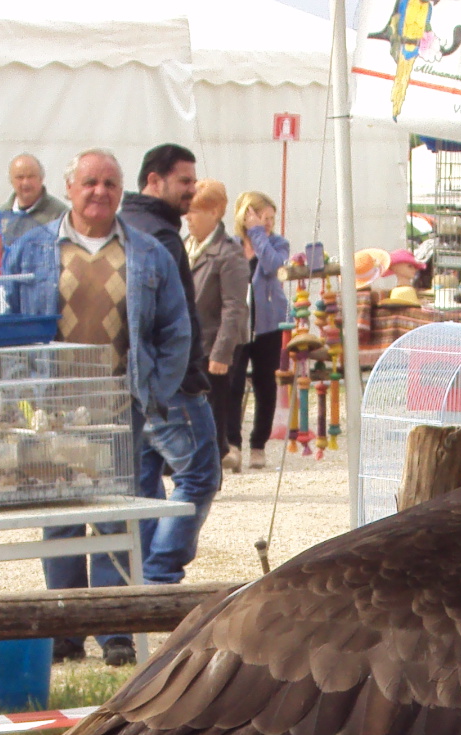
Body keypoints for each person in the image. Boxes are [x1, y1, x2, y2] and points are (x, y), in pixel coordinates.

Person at [3, 148, 191, 667]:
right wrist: (19, 393)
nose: (99, 192)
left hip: (118, 407)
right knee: (60, 517)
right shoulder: (31, 251)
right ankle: (66, 629)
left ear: (122, 189)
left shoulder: (149, 255)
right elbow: (9, 326)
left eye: (110, 183)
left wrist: (153, 390)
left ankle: (116, 631)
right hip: (51, 410)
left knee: (116, 518)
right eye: (89, 182)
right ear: (70, 186)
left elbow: (177, 330)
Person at [118, 142, 223, 584]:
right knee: (200, 473)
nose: (192, 190)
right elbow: (169, 323)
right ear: (153, 181)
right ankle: (159, 571)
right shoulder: (158, 237)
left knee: (142, 485)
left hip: (136, 383)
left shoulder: (130, 227)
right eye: (184, 181)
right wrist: (172, 380)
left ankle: (136, 572)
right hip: (169, 386)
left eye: (194, 181)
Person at [183, 179, 251, 473]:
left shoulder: (228, 252)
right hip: (188, 346)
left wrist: (222, 353)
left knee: (212, 414)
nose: (188, 217)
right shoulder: (187, 246)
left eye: (194, 211)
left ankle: (212, 473)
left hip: (213, 347)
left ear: (214, 213)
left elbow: (235, 306)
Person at [233, 191, 290, 472]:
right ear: (245, 214)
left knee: (264, 384)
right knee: (232, 385)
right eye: (261, 217)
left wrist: (258, 233)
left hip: (267, 325)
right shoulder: (230, 245)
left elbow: (271, 265)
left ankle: (258, 445)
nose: (267, 223)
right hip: (237, 325)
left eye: (270, 219)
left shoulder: (277, 244)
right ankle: (231, 444)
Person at [0, 154, 67, 243]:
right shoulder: (1, 215)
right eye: (20, 177)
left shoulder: (60, 215)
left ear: (41, 178)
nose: (26, 183)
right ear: (11, 180)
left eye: (31, 176)